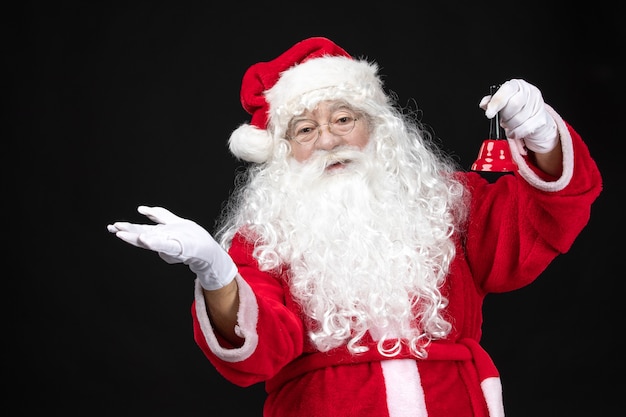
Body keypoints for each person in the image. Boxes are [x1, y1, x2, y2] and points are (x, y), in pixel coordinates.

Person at [107, 37, 602, 417]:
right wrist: (217, 275)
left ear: (376, 127)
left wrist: (540, 135)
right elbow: (256, 358)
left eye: (343, 118)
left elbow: (542, 222)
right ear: (284, 152)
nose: (327, 139)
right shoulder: (263, 237)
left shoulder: (448, 202)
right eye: (304, 129)